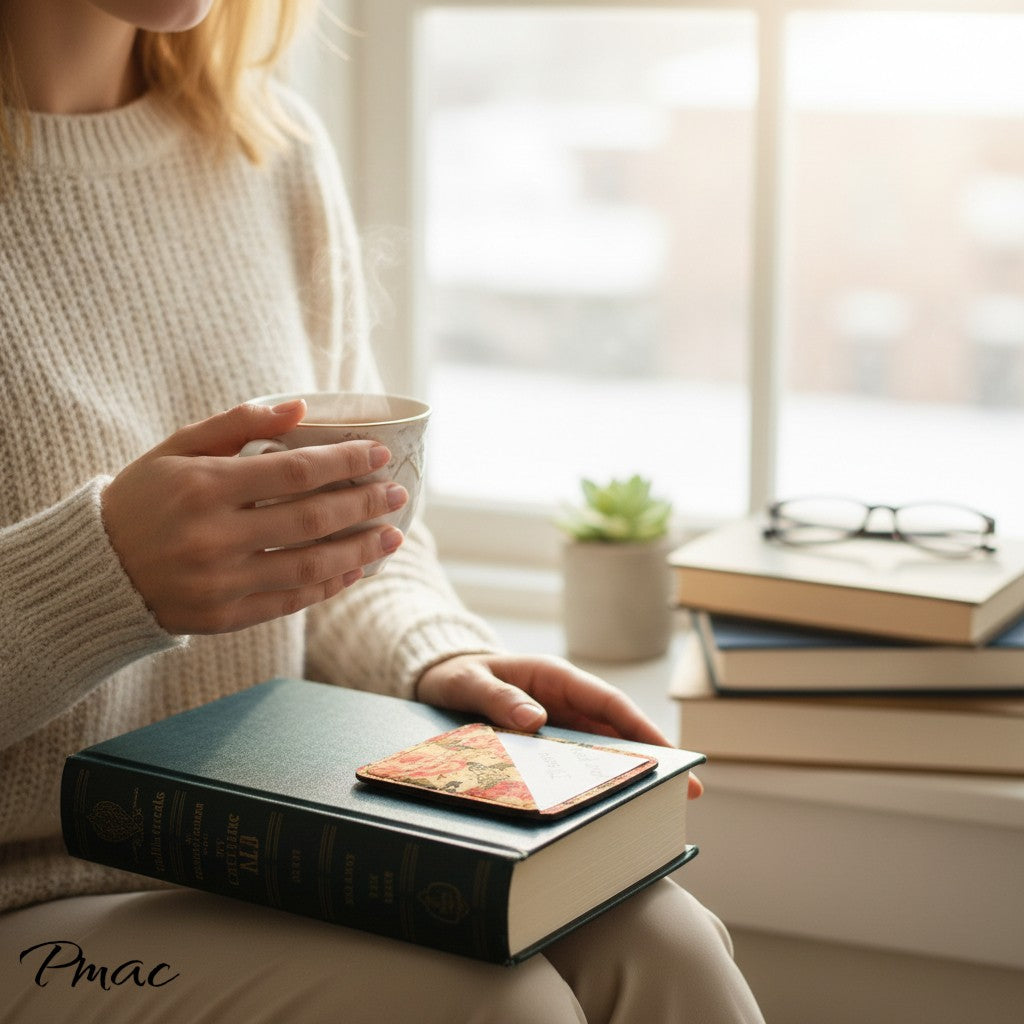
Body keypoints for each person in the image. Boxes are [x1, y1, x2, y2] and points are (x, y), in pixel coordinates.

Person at [0, 2, 765, 1021]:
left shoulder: (267, 151)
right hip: (30, 902)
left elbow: (355, 537)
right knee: (498, 1009)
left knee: (666, 942)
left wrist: (433, 662)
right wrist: (101, 578)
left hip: (269, 840)